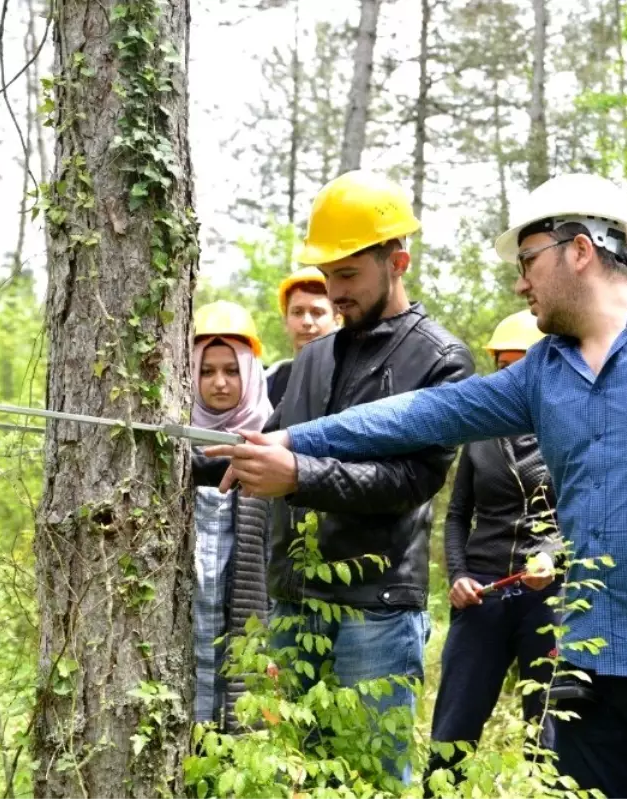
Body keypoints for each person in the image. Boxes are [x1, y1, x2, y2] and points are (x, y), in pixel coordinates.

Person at [210, 173, 627, 798]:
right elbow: (419, 414)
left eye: (528, 261)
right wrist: (293, 439)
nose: (520, 281)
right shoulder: (540, 376)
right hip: (588, 670)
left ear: (580, 249)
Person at [209, 170, 475, 782]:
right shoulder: (315, 356)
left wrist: (297, 475)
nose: (333, 291)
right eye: (328, 274)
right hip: (294, 602)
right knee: (296, 777)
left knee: (373, 778)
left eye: (348, 275)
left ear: (397, 261)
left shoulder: (440, 361)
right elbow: (273, 438)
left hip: (376, 612)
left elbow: (409, 482)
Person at [426, 309, 557, 790]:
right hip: (481, 592)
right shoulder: (479, 433)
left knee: (550, 732)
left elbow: (589, 512)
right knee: (453, 728)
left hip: (548, 597)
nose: (511, 375)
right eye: (502, 365)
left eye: (520, 364)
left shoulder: (568, 429)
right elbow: (458, 514)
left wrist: (555, 556)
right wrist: (458, 575)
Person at [188, 301, 273, 730]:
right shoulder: (168, 438)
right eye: (206, 370)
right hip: (189, 630)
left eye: (232, 370)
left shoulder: (276, 439)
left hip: (248, 627)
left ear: (251, 371)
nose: (219, 383)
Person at [266, 266, 338, 408]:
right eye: (297, 312)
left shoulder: (352, 379)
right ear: (285, 321)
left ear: (337, 319)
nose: (306, 322)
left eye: (317, 312)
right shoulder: (269, 382)